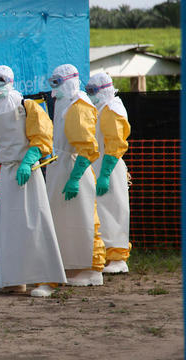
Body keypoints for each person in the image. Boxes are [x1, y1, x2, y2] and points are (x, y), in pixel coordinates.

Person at [0, 65, 66, 297]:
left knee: (36, 223)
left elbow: (42, 136)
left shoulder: (27, 106)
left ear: (11, 81)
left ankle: (46, 279)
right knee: (11, 228)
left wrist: (29, 161)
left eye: (0, 80)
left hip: (29, 171)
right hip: (7, 173)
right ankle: (14, 278)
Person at [46, 64, 106, 286]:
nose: (55, 88)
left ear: (70, 81)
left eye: (58, 82)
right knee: (65, 220)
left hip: (73, 168)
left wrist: (74, 178)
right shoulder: (64, 102)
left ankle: (93, 269)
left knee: (85, 220)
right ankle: (71, 266)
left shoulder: (79, 105)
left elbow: (88, 147)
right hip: (59, 166)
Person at [86, 73, 132, 274]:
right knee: (102, 211)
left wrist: (105, 174)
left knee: (114, 211)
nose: (91, 95)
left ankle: (118, 258)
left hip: (110, 168)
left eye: (93, 91)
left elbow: (116, 143)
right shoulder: (101, 108)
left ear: (103, 89)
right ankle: (104, 254)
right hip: (99, 166)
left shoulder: (113, 109)